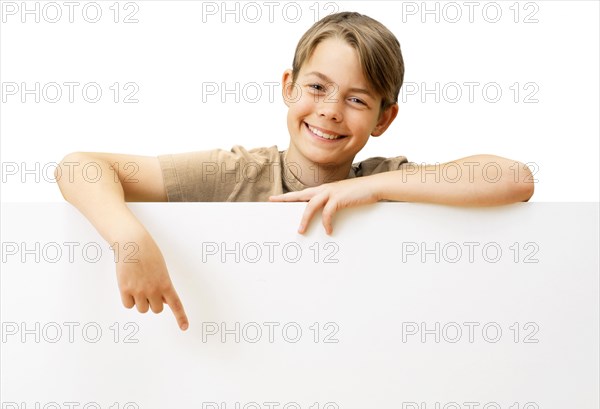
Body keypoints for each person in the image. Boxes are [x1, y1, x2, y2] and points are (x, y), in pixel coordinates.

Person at [56, 12, 534, 332]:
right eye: (317, 87)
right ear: (289, 86)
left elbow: (514, 178)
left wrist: (370, 187)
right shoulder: (236, 172)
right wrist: (129, 239)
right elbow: (79, 167)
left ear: (384, 119)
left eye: (356, 99)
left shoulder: (388, 179)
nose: (329, 111)